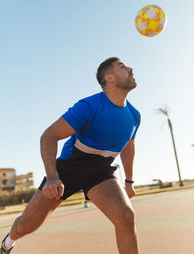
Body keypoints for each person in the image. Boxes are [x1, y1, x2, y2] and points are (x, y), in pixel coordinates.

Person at [1, 57, 141, 254]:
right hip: (70, 167)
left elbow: (128, 146)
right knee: (25, 226)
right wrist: (52, 177)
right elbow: (49, 136)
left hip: (101, 171)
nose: (130, 68)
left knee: (126, 217)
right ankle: (8, 242)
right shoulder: (89, 106)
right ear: (109, 78)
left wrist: (129, 181)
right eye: (122, 66)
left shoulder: (134, 116)